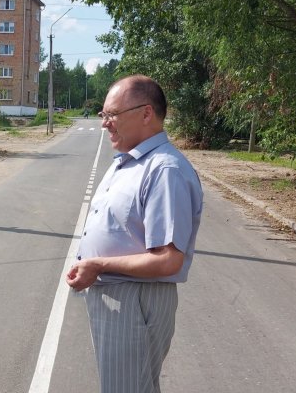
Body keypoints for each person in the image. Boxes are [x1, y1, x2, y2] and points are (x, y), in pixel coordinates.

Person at [66, 75, 203, 393]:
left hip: (135, 299)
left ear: (146, 113)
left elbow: (168, 260)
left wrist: (98, 265)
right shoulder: (128, 163)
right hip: (119, 297)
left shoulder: (164, 170)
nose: (105, 124)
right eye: (103, 115)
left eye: (112, 115)